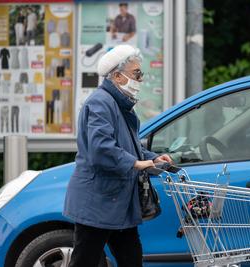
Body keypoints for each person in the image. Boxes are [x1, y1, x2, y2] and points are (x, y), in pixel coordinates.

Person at [63, 44, 173, 267]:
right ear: (117, 76)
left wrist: (153, 160)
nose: (140, 79)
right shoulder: (100, 103)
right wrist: (137, 163)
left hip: (116, 202)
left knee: (130, 259)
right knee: (85, 260)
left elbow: (129, 147)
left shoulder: (119, 104)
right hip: (97, 201)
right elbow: (101, 148)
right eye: (136, 73)